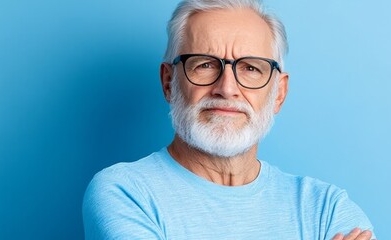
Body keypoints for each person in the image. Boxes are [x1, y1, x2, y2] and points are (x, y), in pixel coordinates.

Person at [82, 0, 376, 239]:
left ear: (279, 93)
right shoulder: (126, 192)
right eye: (205, 65)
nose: (227, 88)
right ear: (169, 82)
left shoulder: (326, 208)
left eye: (251, 68)